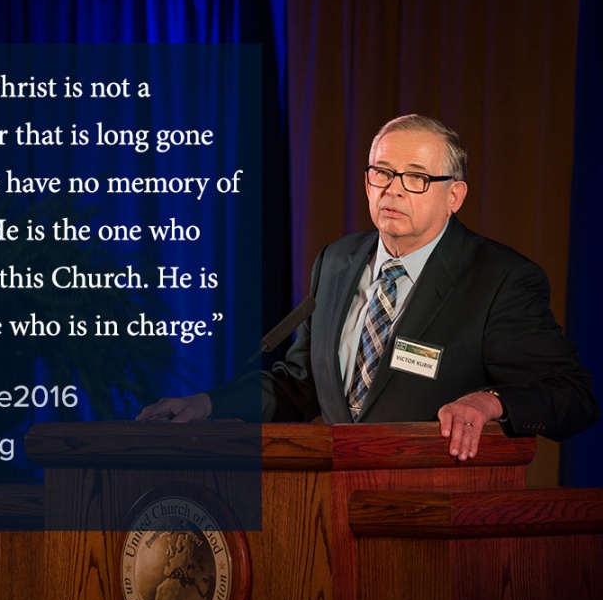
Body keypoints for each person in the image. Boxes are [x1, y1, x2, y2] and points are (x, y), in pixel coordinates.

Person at [137, 114, 599, 461]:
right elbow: (300, 387)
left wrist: (490, 401)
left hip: (438, 511)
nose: (393, 190)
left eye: (416, 177)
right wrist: (207, 404)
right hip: (331, 509)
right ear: (366, 181)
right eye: (382, 172)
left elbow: (572, 396)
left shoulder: (499, 279)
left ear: (453, 196)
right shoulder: (336, 262)